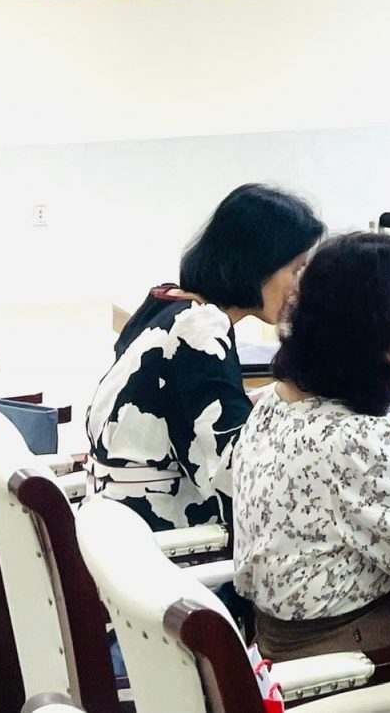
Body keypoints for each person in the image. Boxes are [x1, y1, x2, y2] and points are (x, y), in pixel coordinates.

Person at [232, 232, 390, 660]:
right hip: (340, 650)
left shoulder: (277, 401)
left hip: (279, 634)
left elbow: (332, 468)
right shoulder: (357, 446)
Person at [86, 183, 324, 531]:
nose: (298, 287)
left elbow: (195, 410)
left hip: (112, 526)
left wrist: (275, 404)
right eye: (294, 270)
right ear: (259, 264)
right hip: (154, 537)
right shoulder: (202, 330)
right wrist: (362, 440)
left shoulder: (169, 304)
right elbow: (240, 474)